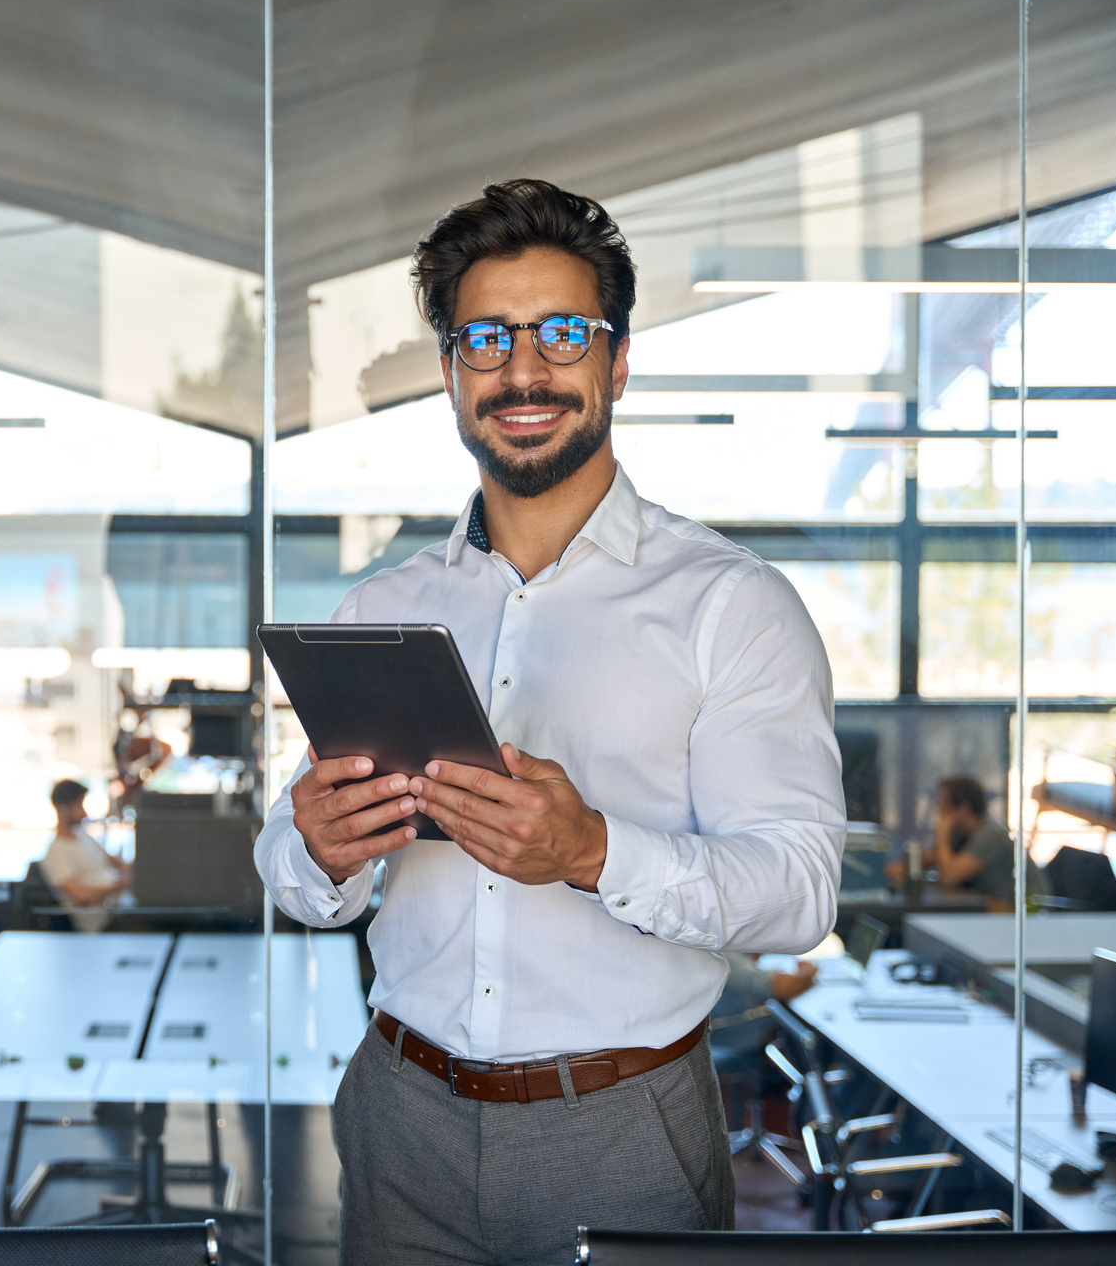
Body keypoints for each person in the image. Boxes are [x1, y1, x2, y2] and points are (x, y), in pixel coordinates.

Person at [253, 179, 845, 1265]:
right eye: (487, 339)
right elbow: (294, 871)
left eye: (563, 334)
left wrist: (592, 850)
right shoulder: (382, 608)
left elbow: (803, 885)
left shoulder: (730, 603)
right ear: (449, 373)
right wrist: (316, 847)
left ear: (616, 362)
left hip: (624, 1129)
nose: (524, 370)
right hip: (400, 1116)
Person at [891, 775, 1046, 911]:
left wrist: (942, 831)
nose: (938, 812)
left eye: (943, 806)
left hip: (1019, 912)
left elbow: (950, 877)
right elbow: (928, 859)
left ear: (964, 809)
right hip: (986, 910)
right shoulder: (960, 835)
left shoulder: (990, 836)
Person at [40, 779, 131, 933]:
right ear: (62, 808)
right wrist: (120, 885)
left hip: (119, 910)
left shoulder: (84, 836)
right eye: (79, 804)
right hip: (101, 925)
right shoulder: (55, 851)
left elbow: (117, 863)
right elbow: (80, 895)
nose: (84, 812)